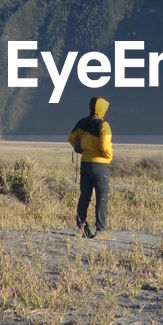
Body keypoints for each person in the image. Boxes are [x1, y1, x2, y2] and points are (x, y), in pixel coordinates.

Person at [67, 96, 112, 237]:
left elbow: (71, 138)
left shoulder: (82, 122)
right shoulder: (104, 125)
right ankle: (101, 230)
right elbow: (105, 145)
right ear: (102, 109)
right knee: (102, 196)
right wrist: (108, 156)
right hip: (100, 165)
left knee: (85, 196)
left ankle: (80, 228)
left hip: (85, 163)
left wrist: (79, 147)